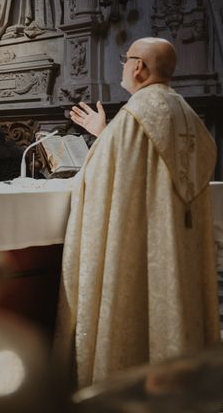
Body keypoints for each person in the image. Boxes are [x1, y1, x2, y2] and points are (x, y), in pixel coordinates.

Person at [54, 38, 219, 387]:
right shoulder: (187, 114)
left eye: (125, 60)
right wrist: (105, 133)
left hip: (138, 249)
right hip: (179, 243)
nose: (123, 67)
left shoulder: (135, 114)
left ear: (139, 67)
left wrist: (99, 144)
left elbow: (99, 181)